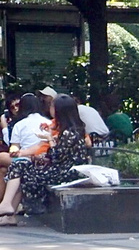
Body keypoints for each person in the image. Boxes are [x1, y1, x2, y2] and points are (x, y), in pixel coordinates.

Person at [0, 94, 90, 224]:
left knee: (19, 168)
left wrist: (49, 139)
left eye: (53, 106)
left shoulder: (69, 133)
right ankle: (9, 212)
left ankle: (7, 206)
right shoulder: (66, 129)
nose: (50, 109)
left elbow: (56, 156)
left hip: (64, 173)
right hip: (59, 168)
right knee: (19, 165)